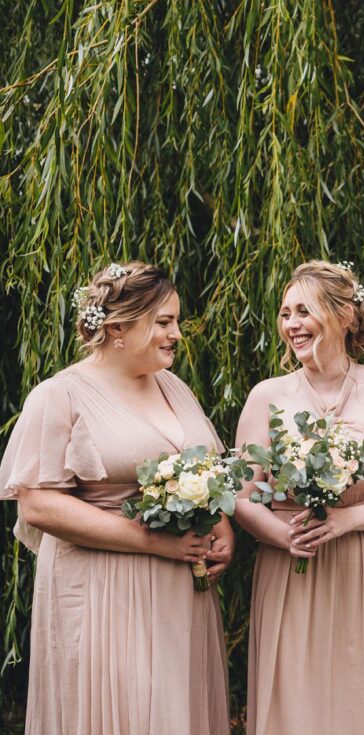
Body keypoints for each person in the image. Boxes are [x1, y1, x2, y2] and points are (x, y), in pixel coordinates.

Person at [0, 262, 232, 734]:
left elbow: (210, 468)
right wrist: (150, 541)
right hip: (101, 590)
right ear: (118, 327)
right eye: (164, 322)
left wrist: (220, 526)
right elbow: (38, 505)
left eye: (176, 322)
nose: (177, 335)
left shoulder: (176, 388)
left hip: (179, 591)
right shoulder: (59, 395)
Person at [234, 260, 364, 735]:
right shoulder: (267, 396)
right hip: (291, 566)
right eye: (285, 313)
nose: (291, 325)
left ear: (345, 316)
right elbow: (242, 497)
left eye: (304, 311)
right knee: (297, 696)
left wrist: (350, 520)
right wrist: (284, 536)